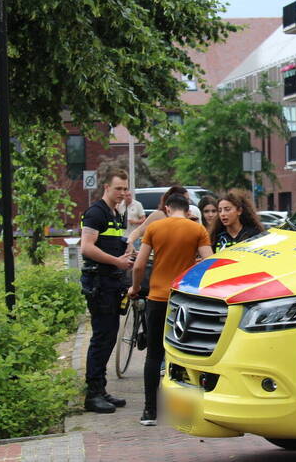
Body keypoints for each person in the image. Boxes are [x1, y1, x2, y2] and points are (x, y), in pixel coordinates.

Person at [128, 192, 212, 425]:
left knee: (154, 355)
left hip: (157, 298)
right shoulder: (197, 230)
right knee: (185, 354)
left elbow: (139, 266)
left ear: (166, 208)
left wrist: (135, 288)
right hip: (183, 299)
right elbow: (209, 263)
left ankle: (149, 412)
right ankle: (187, 411)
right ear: (188, 210)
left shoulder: (155, 228)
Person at [79, 167, 134, 414]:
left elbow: (109, 244)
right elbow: (86, 247)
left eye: (125, 188)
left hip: (111, 283)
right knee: (102, 337)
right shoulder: (96, 213)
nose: (122, 193)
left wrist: (126, 251)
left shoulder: (116, 213)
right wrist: (117, 262)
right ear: (106, 188)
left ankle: (100, 389)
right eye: (118, 188)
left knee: (109, 336)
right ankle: (92, 395)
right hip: (99, 284)